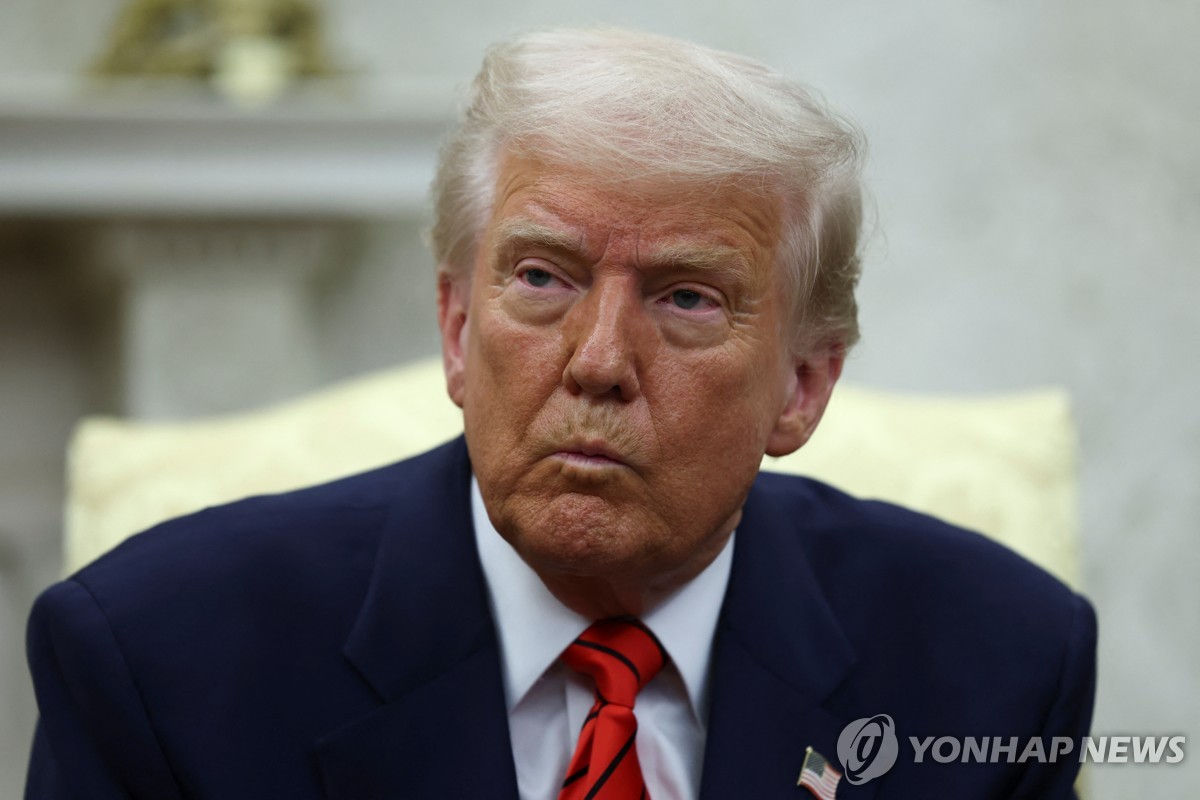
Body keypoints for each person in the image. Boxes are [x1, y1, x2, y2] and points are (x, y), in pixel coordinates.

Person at [25, 26, 1095, 800]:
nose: (597, 362)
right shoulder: (157, 657)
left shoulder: (995, 661)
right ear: (455, 328)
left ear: (804, 384)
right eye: (542, 277)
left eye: (686, 297)